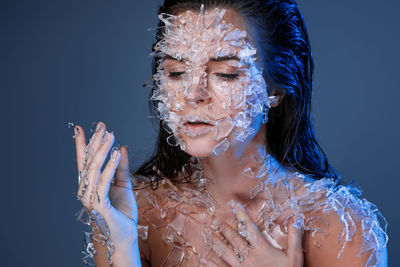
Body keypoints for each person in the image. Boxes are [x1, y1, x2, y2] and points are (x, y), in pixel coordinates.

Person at [72, 0, 388, 266]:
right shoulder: (139, 214)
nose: (192, 94)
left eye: (226, 74)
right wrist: (122, 244)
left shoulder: (341, 227)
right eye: (176, 73)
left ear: (275, 88)